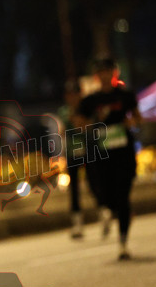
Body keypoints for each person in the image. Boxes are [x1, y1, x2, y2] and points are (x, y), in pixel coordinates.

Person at [77, 58, 142, 260]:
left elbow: (138, 117)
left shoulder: (125, 95)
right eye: (101, 72)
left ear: (114, 73)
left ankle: (123, 242)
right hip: (102, 154)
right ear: (96, 75)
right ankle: (106, 210)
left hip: (124, 152)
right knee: (104, 190)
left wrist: (131, 122)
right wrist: (90, 126)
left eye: (108, 71)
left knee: (124, 196)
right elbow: (78, 121)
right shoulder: (90, 100)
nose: (104, 75)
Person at [57, 80, 86, 239]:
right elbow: (61, 131)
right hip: (72, 152)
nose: (72, 97)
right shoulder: (63, 111)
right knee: (74, 188)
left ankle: (105, 210)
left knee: (95, 182)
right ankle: (77, 222)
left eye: (75, 94)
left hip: (88, 150)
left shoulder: (86, 108)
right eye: (69, 94)